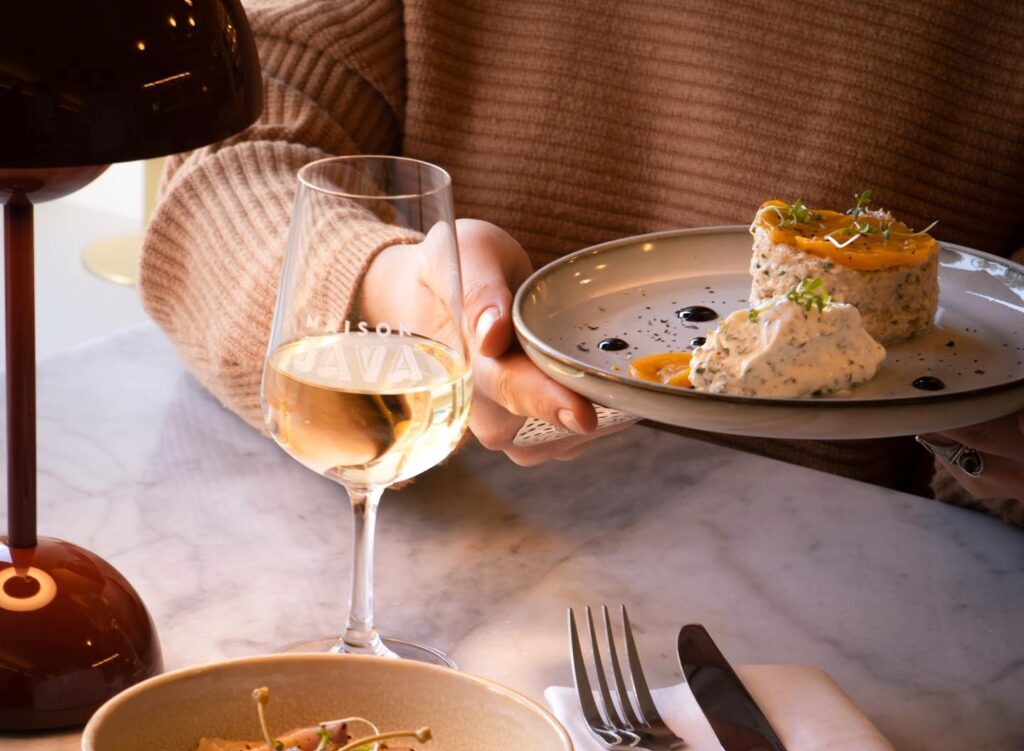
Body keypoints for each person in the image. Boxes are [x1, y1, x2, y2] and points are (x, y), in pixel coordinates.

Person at [139, 0, 1024, 519]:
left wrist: (989, 462)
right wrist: (392, 291)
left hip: (890, 611)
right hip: (488, 532)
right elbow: (231, 146)